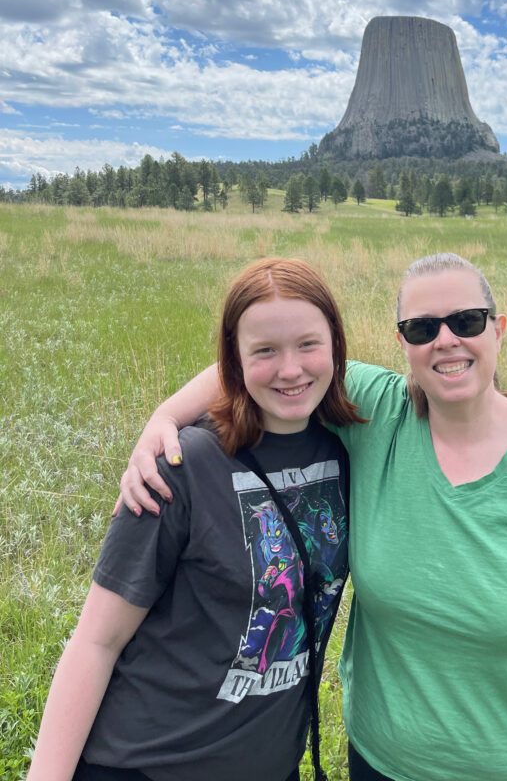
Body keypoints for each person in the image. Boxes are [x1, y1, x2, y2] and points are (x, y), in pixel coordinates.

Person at [119, 253, 507, 781]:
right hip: (383, 766)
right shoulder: (379, 414)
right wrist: (163, 418)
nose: (446, 340)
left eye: (467, 321)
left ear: (499, 329)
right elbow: (267, 367)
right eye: (422, 328)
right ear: (402, 343)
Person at [28, 258, 364, 781]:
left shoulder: (351, 447)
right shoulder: (180, 466)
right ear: (235, 358)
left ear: (337, 344)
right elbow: (96, 640)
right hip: (146, 765)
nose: (291, 369)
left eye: (307, 344)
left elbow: (456, 404)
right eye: (265, 351)